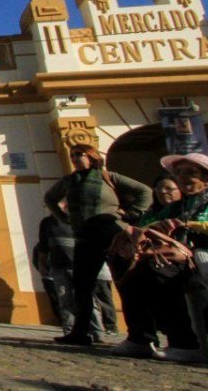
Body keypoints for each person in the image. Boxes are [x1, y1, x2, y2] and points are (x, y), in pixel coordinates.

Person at [113, 153, 208, 361]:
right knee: (131, 273)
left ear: (207, 178)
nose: (183, 177)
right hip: (180, 259)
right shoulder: (178, 207)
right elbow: (147, 226)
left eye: (191, 173)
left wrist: (193, 225)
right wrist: (150, 228)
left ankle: (184, 344)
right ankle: (140, 339)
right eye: (179, 173)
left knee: (160, 271)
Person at [46, 144, 151, 346]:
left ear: (92, 156)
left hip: (113, 234)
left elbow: (144, 191)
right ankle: (81, 332)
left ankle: (140, 334)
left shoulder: (107, 177)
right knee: (82, 286)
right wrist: (64, 217)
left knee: (125, 281)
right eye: (73, 155)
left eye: (80, 154)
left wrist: (130, 213)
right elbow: (50, 198)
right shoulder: (69, 181)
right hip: (85, 237)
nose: (75, 158)